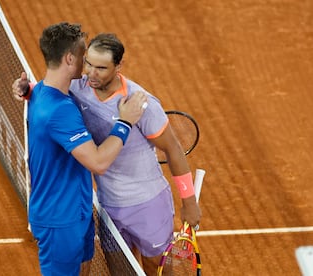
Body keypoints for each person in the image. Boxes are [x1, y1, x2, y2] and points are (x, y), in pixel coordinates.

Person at [14, 33, 201, 275]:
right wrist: (26, 90)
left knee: (158, 268)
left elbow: (173, 149)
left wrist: (189, 202)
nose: (91, 73)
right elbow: (47, 92)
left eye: (101, 68)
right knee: (120, 271)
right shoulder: (77, 88)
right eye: (89, 64)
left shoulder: (140, 103)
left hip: (148, 204)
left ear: (118, 67)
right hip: (109, 208)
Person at [22, 23, 147, 276]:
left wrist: (25, 90)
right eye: (83, 57)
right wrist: (125, 122)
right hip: (60, 221)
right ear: (70, 58)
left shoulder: (43, 92)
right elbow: (98, 163)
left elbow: (35, 93)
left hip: (77, 211)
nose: (88, 65)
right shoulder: (59, 111)